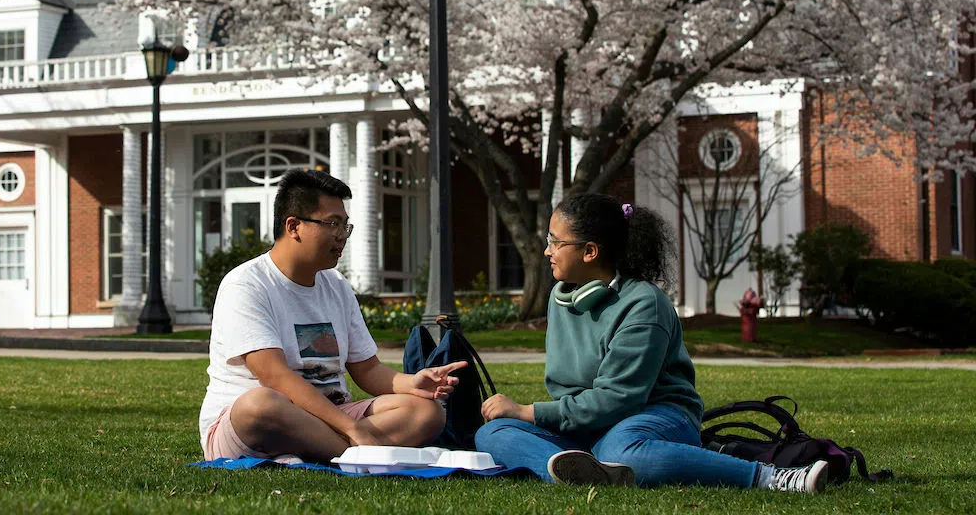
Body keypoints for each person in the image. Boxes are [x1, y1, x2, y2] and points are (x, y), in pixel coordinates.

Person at [474, 193, 830, 494]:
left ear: (590, 252)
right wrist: (538, 419)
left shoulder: (644, 304)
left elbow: (618, 399)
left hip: (653, 414)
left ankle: (768, 477)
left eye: (556, 242)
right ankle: (580, 468)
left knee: (623, 449)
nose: (547, 251)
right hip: (586, 423)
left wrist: (527, 411)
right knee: (492, 432)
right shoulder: (559, 298)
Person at [199, 168, 465, 464]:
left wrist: (411, 383)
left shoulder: (336, 286)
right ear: (293, 226)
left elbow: (368, 370)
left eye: (345, 226)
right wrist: (351, 428)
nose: (341, 236)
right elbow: (276, 377)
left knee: (426, 412)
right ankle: (362, 452)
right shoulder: (246, 284)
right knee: (259, 405)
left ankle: (331, 451)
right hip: (253, 422)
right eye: (332, 224)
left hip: (330, 415)